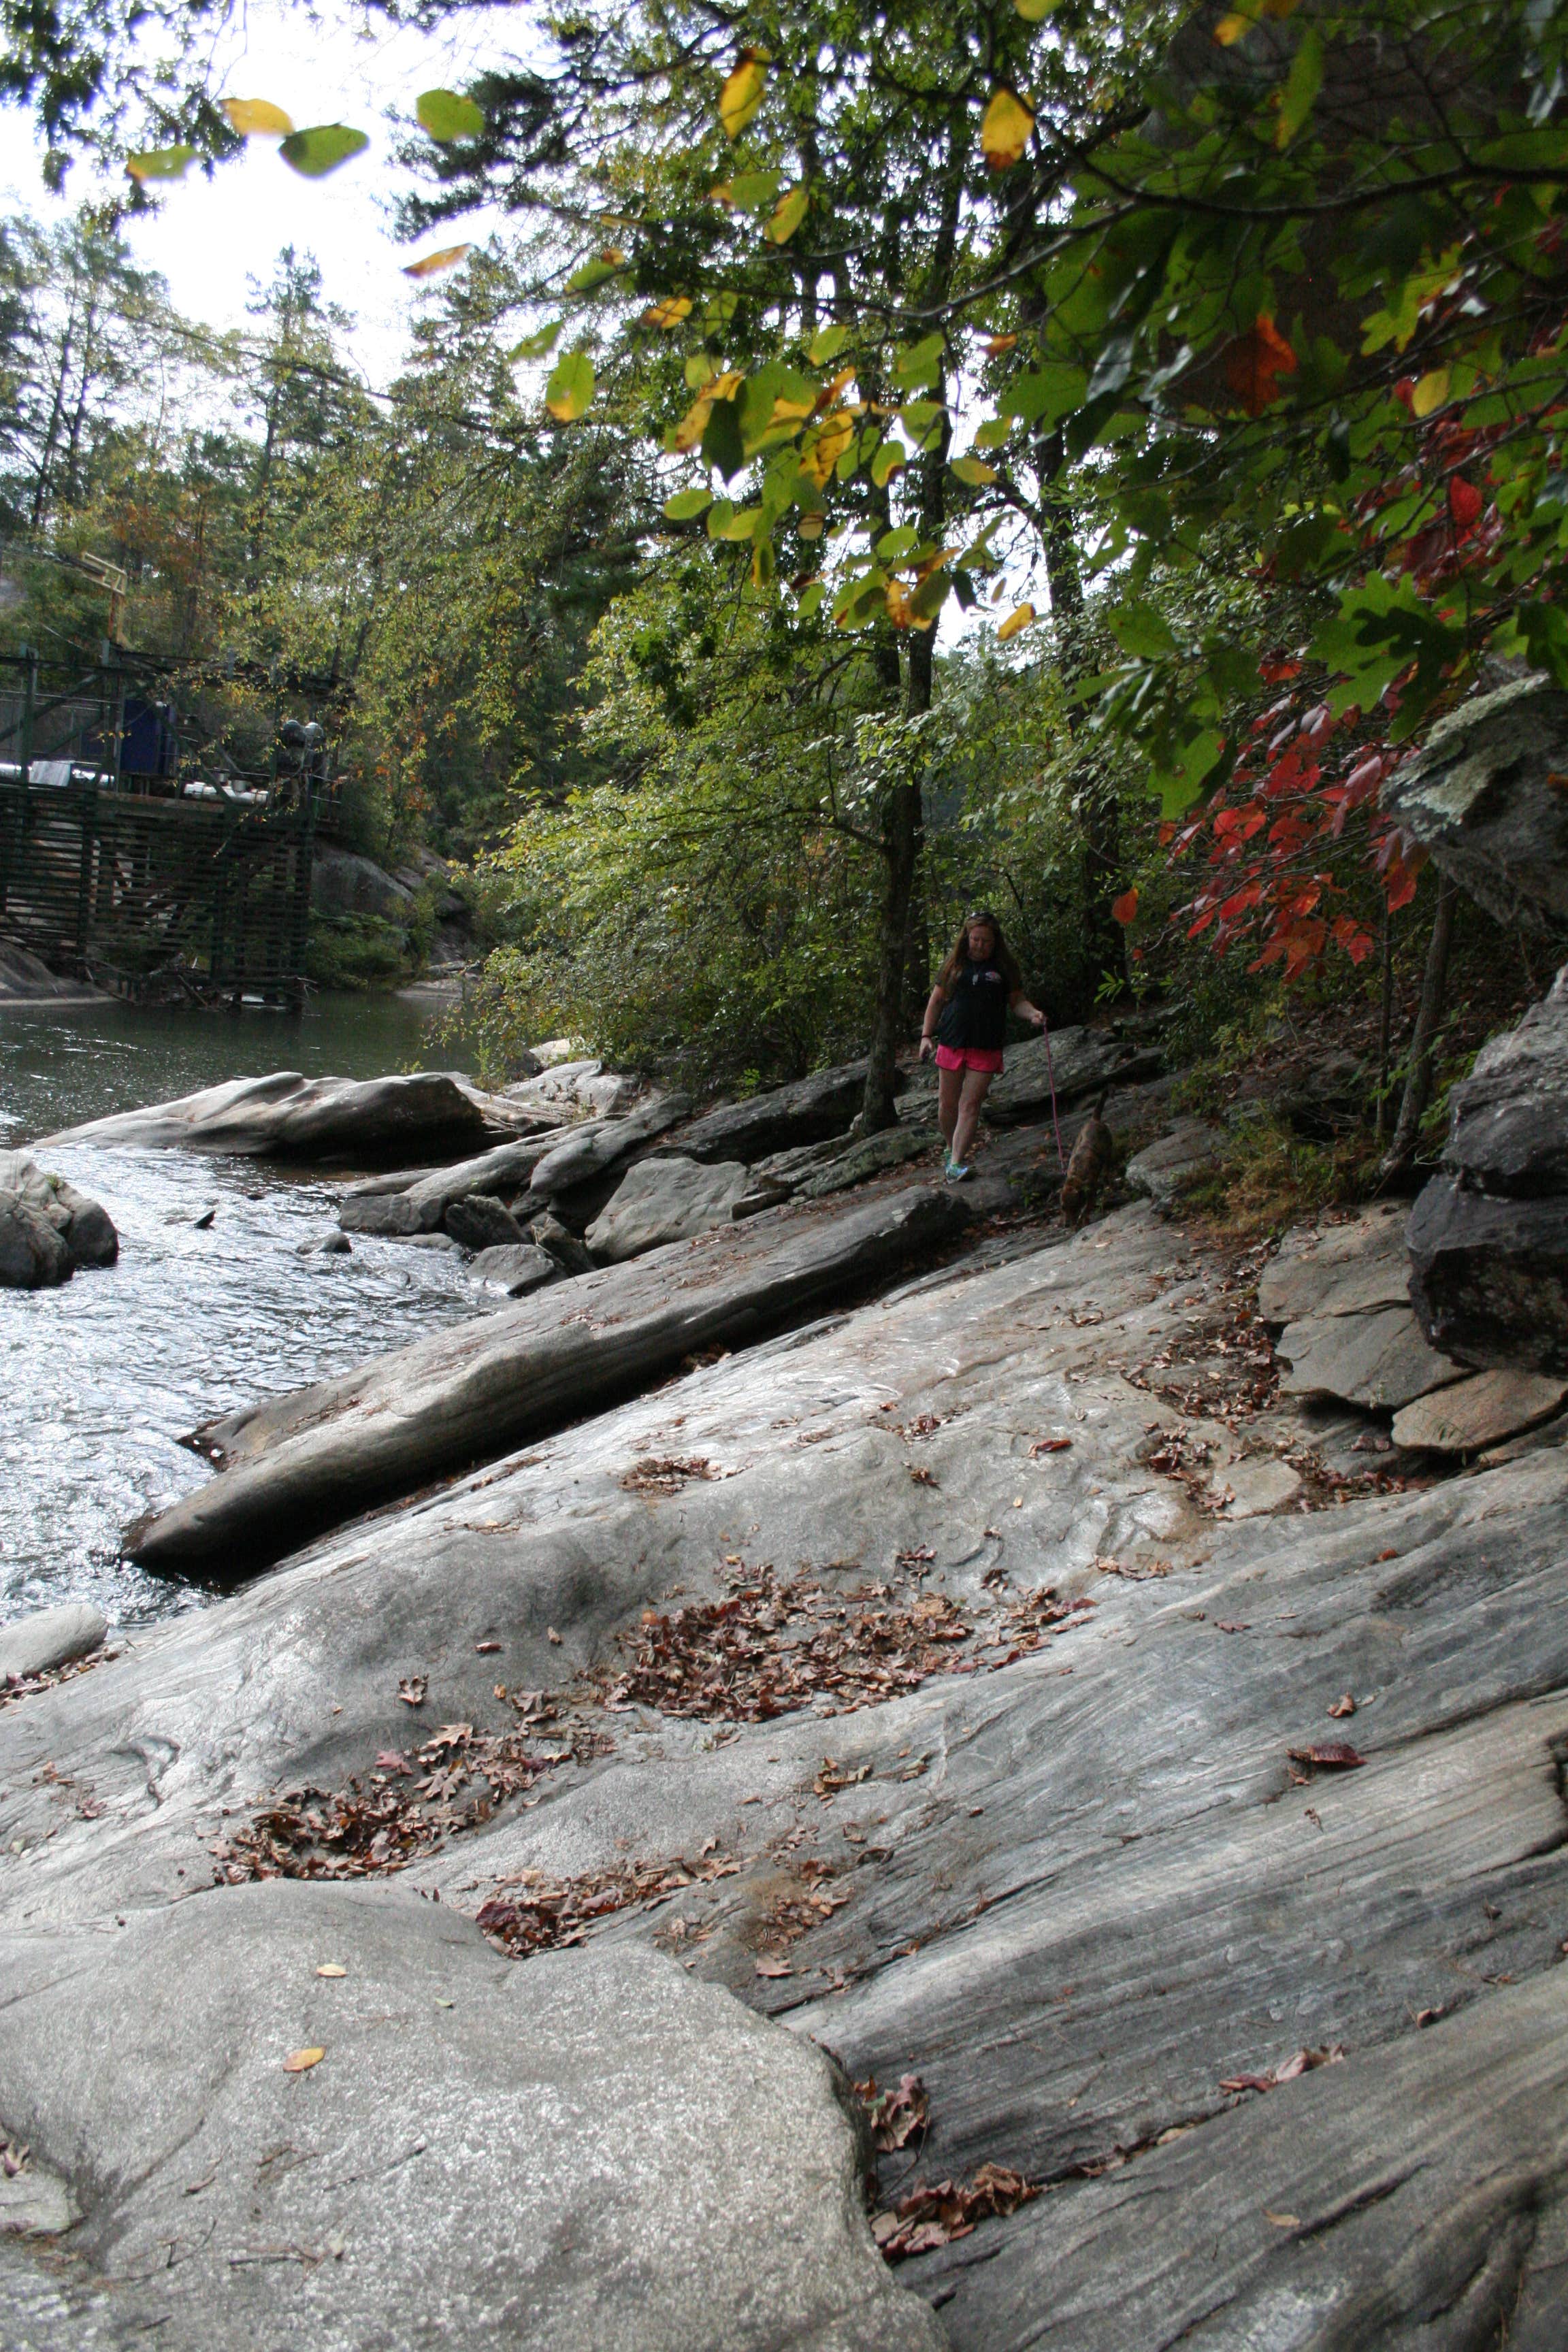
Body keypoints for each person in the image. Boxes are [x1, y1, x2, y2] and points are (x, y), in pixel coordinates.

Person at [917, 909, 1047, 1181]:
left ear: (995, 941)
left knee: (970, 1105)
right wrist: (926, 1036)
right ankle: (951, 1148)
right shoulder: (954, 964)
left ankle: (955, 1163)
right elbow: (936, 1001)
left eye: (985, 941)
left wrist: (1033, 1013)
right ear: (967, 938)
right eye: (975, 939)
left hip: (986, 1045)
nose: (979, 945)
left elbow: (1017, 1002)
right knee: (947, 1105)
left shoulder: (1004, 968)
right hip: (952, 1040)